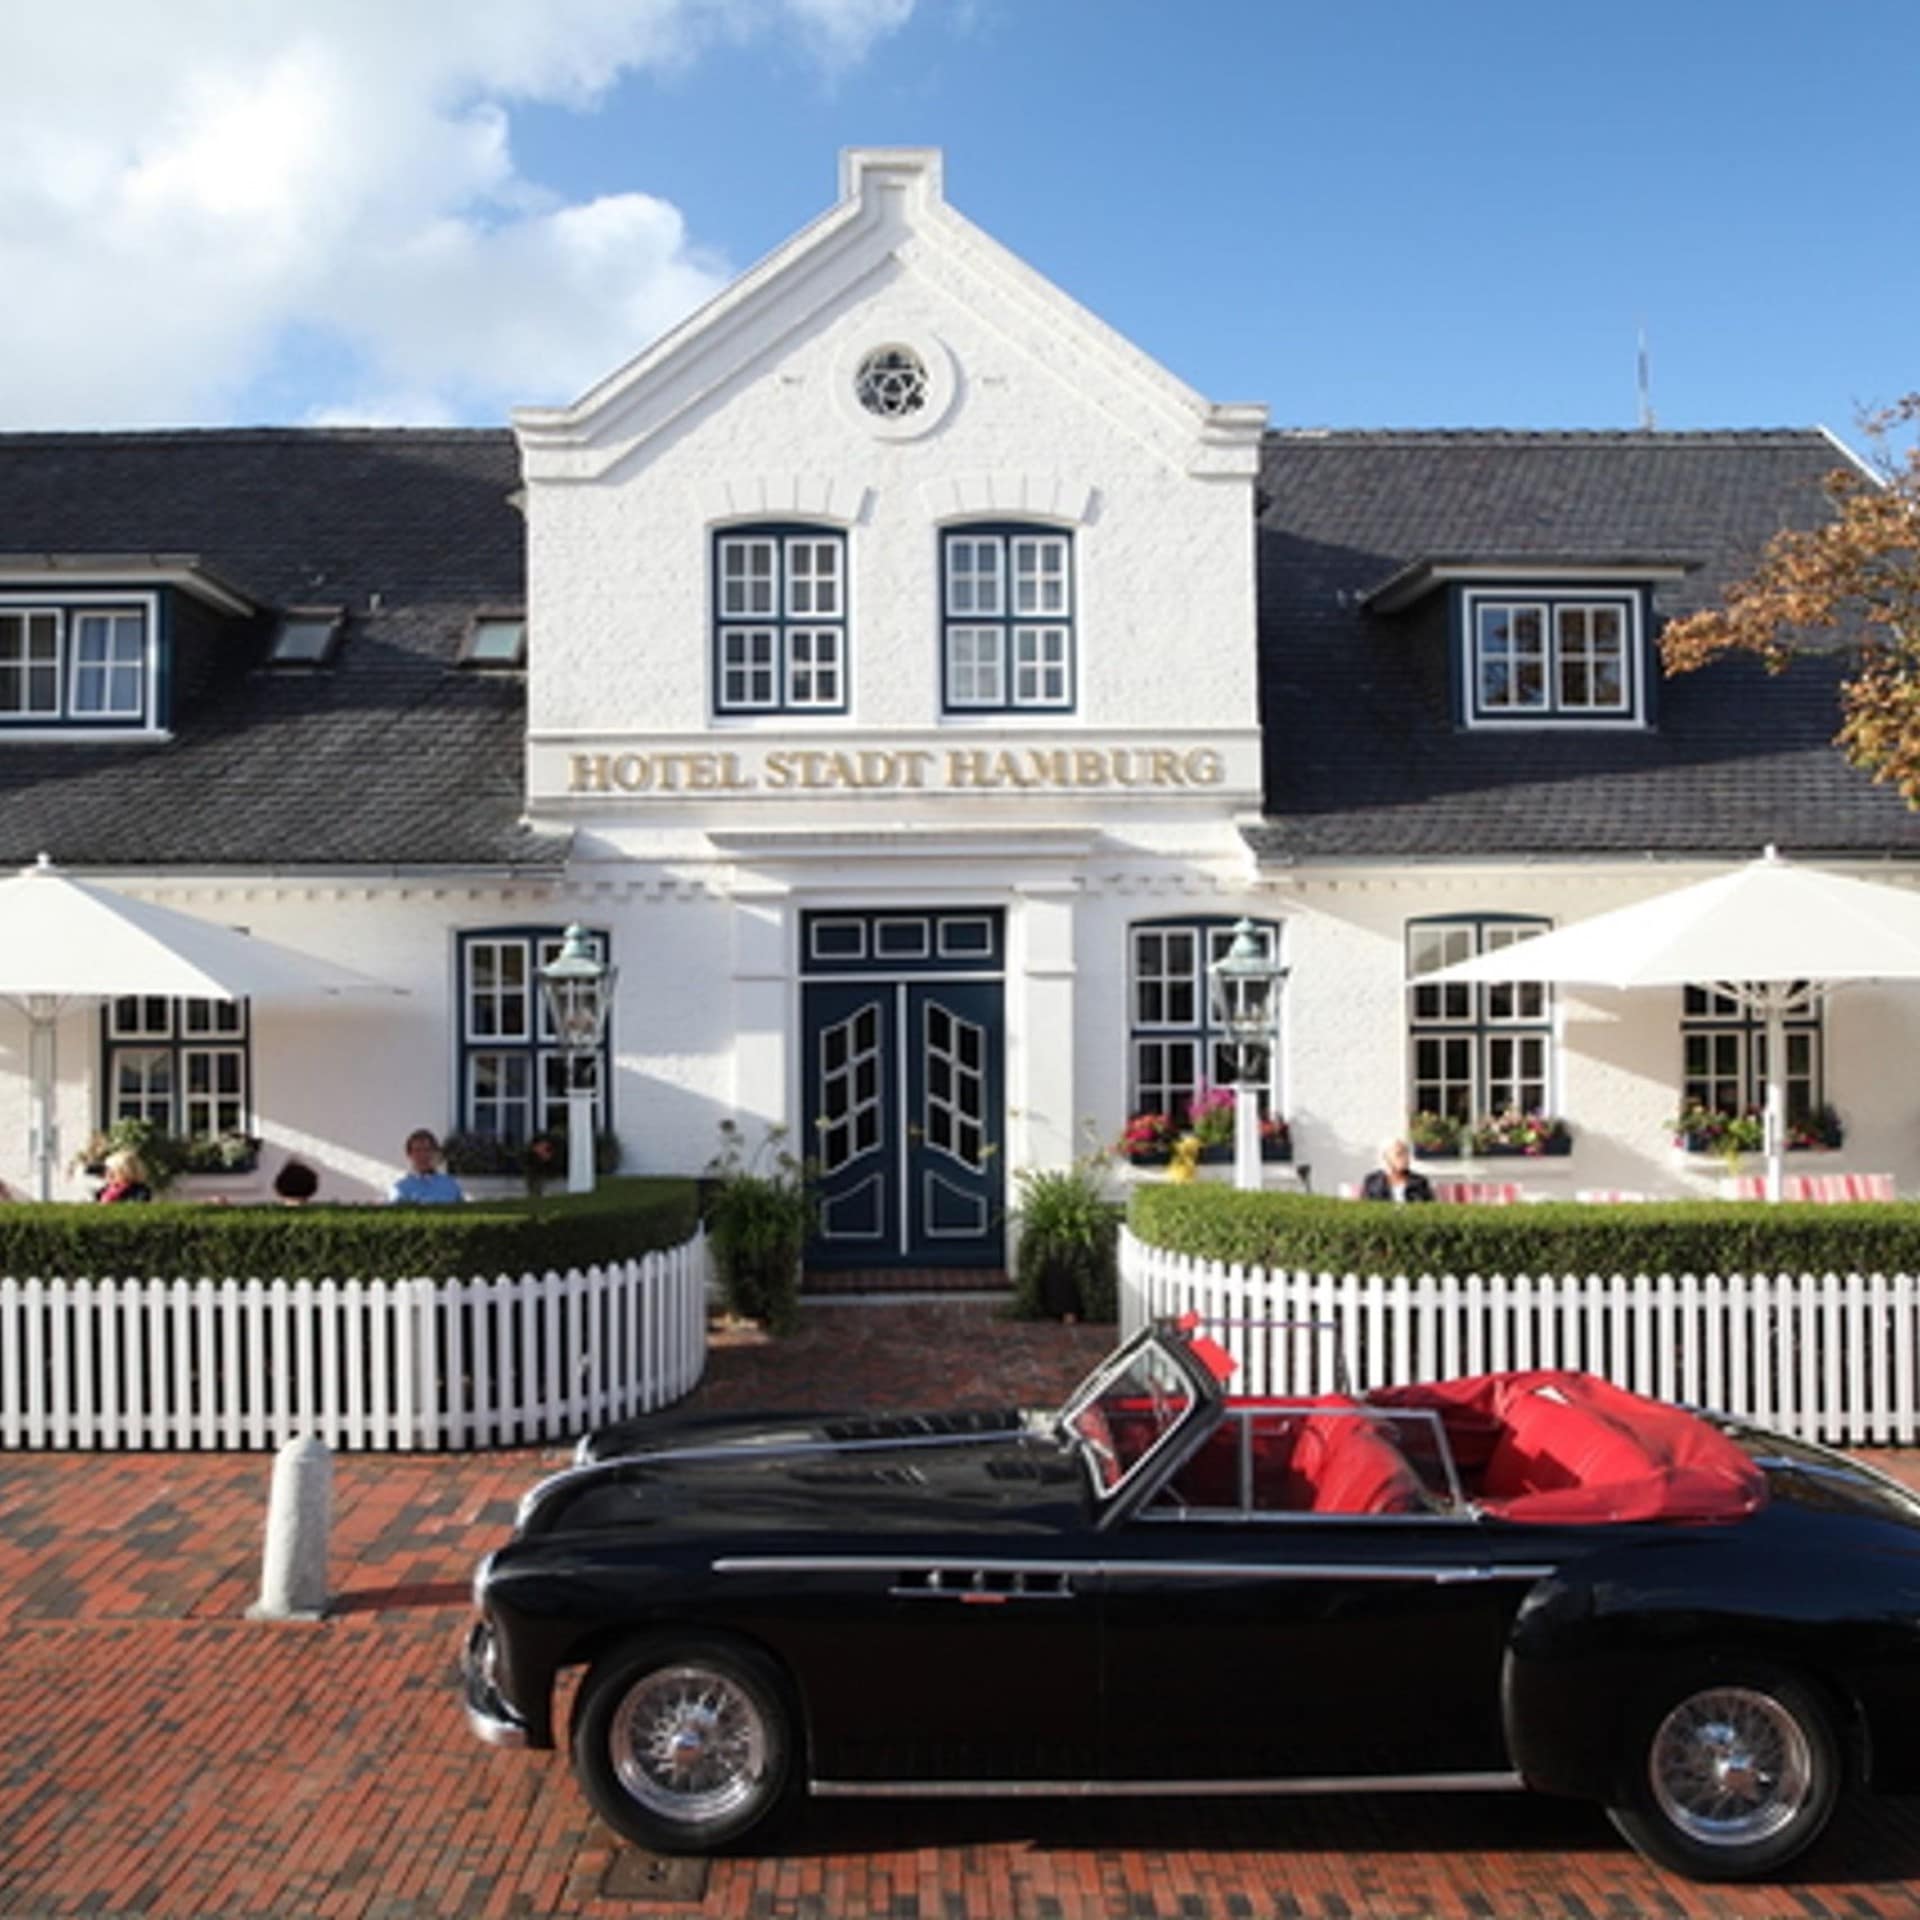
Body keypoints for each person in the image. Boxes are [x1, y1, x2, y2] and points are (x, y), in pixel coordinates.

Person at [389, 1128, 465, 1204]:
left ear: (436, 1153)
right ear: (409, 1155)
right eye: (417, 1150)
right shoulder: (400, 1189)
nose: (423, 1155)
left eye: (427, 1150)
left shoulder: (451, 1186)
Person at [1360, 1136, 1434, 1204]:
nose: (1405, 1158)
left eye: (1407, 1153)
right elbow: (1365, 1208)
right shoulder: (1372, 1181)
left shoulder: (1420, 1181)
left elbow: (1430, 1209)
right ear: (1385, 1157)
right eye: (1399, 1154)